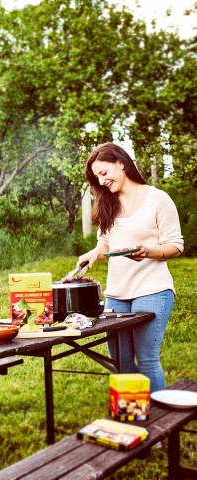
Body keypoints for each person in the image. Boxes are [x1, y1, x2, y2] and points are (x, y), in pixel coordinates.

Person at [77, 143, 183, 393]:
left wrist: (149, 251)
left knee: (146, 361)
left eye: (104, 173)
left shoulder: (158, 199)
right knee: (122, 364)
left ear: (121, 164)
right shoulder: (107, 202)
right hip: (116, 294)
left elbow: (175, 246)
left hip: (153, 291)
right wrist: (93, 254)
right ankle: (133, 414)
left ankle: (157, 420)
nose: (101, 182)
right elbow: (105, 243)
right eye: (97, 177)